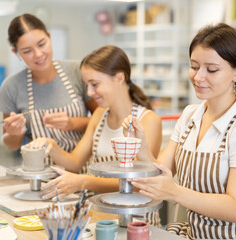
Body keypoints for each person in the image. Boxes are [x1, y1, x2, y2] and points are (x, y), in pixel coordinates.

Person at [123, 23, 236, 239]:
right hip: (195, 233)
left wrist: (174, 191)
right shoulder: (191, 115)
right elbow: (159, 172)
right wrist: (141, 145)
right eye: (194, 66)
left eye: (211, 69)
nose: (198, 77)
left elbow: (234, 209)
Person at [29, 45, 162, 226]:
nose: (90, 93)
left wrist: (83, 182)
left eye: (95, 84)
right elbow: (74, 163)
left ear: (119, 78)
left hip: (136, 221)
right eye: (87, 85)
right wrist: (50, 146)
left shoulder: (148, 121)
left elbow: (138, 185)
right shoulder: (99, 115)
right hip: (101, 216)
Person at [0, 14, 97, 169]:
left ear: (49, 37)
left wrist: (71, 123)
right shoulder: (11, 86)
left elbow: (103, 121)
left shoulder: (77, 71)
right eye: (27, 51)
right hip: (39, 175)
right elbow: (11, 145)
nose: (38, 54)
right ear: (16, 53)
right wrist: (14, 132)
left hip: (82, 171)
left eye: (42, 44)